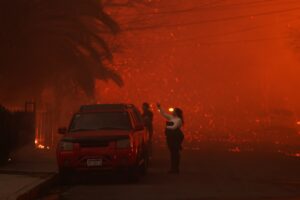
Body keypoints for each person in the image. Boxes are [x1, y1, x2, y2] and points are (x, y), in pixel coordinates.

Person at [157, 103, 184, 174]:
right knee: (172, 153)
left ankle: (175, 168)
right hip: (171, 137)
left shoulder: (178, 120)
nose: (173, 112)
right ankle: (173, 168)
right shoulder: (172, 118)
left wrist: (167, 126)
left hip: (175, 137)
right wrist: (160, 107)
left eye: (174, 111)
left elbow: (174, 127)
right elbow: (164, 114)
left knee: (175, 153)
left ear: (177, 112)